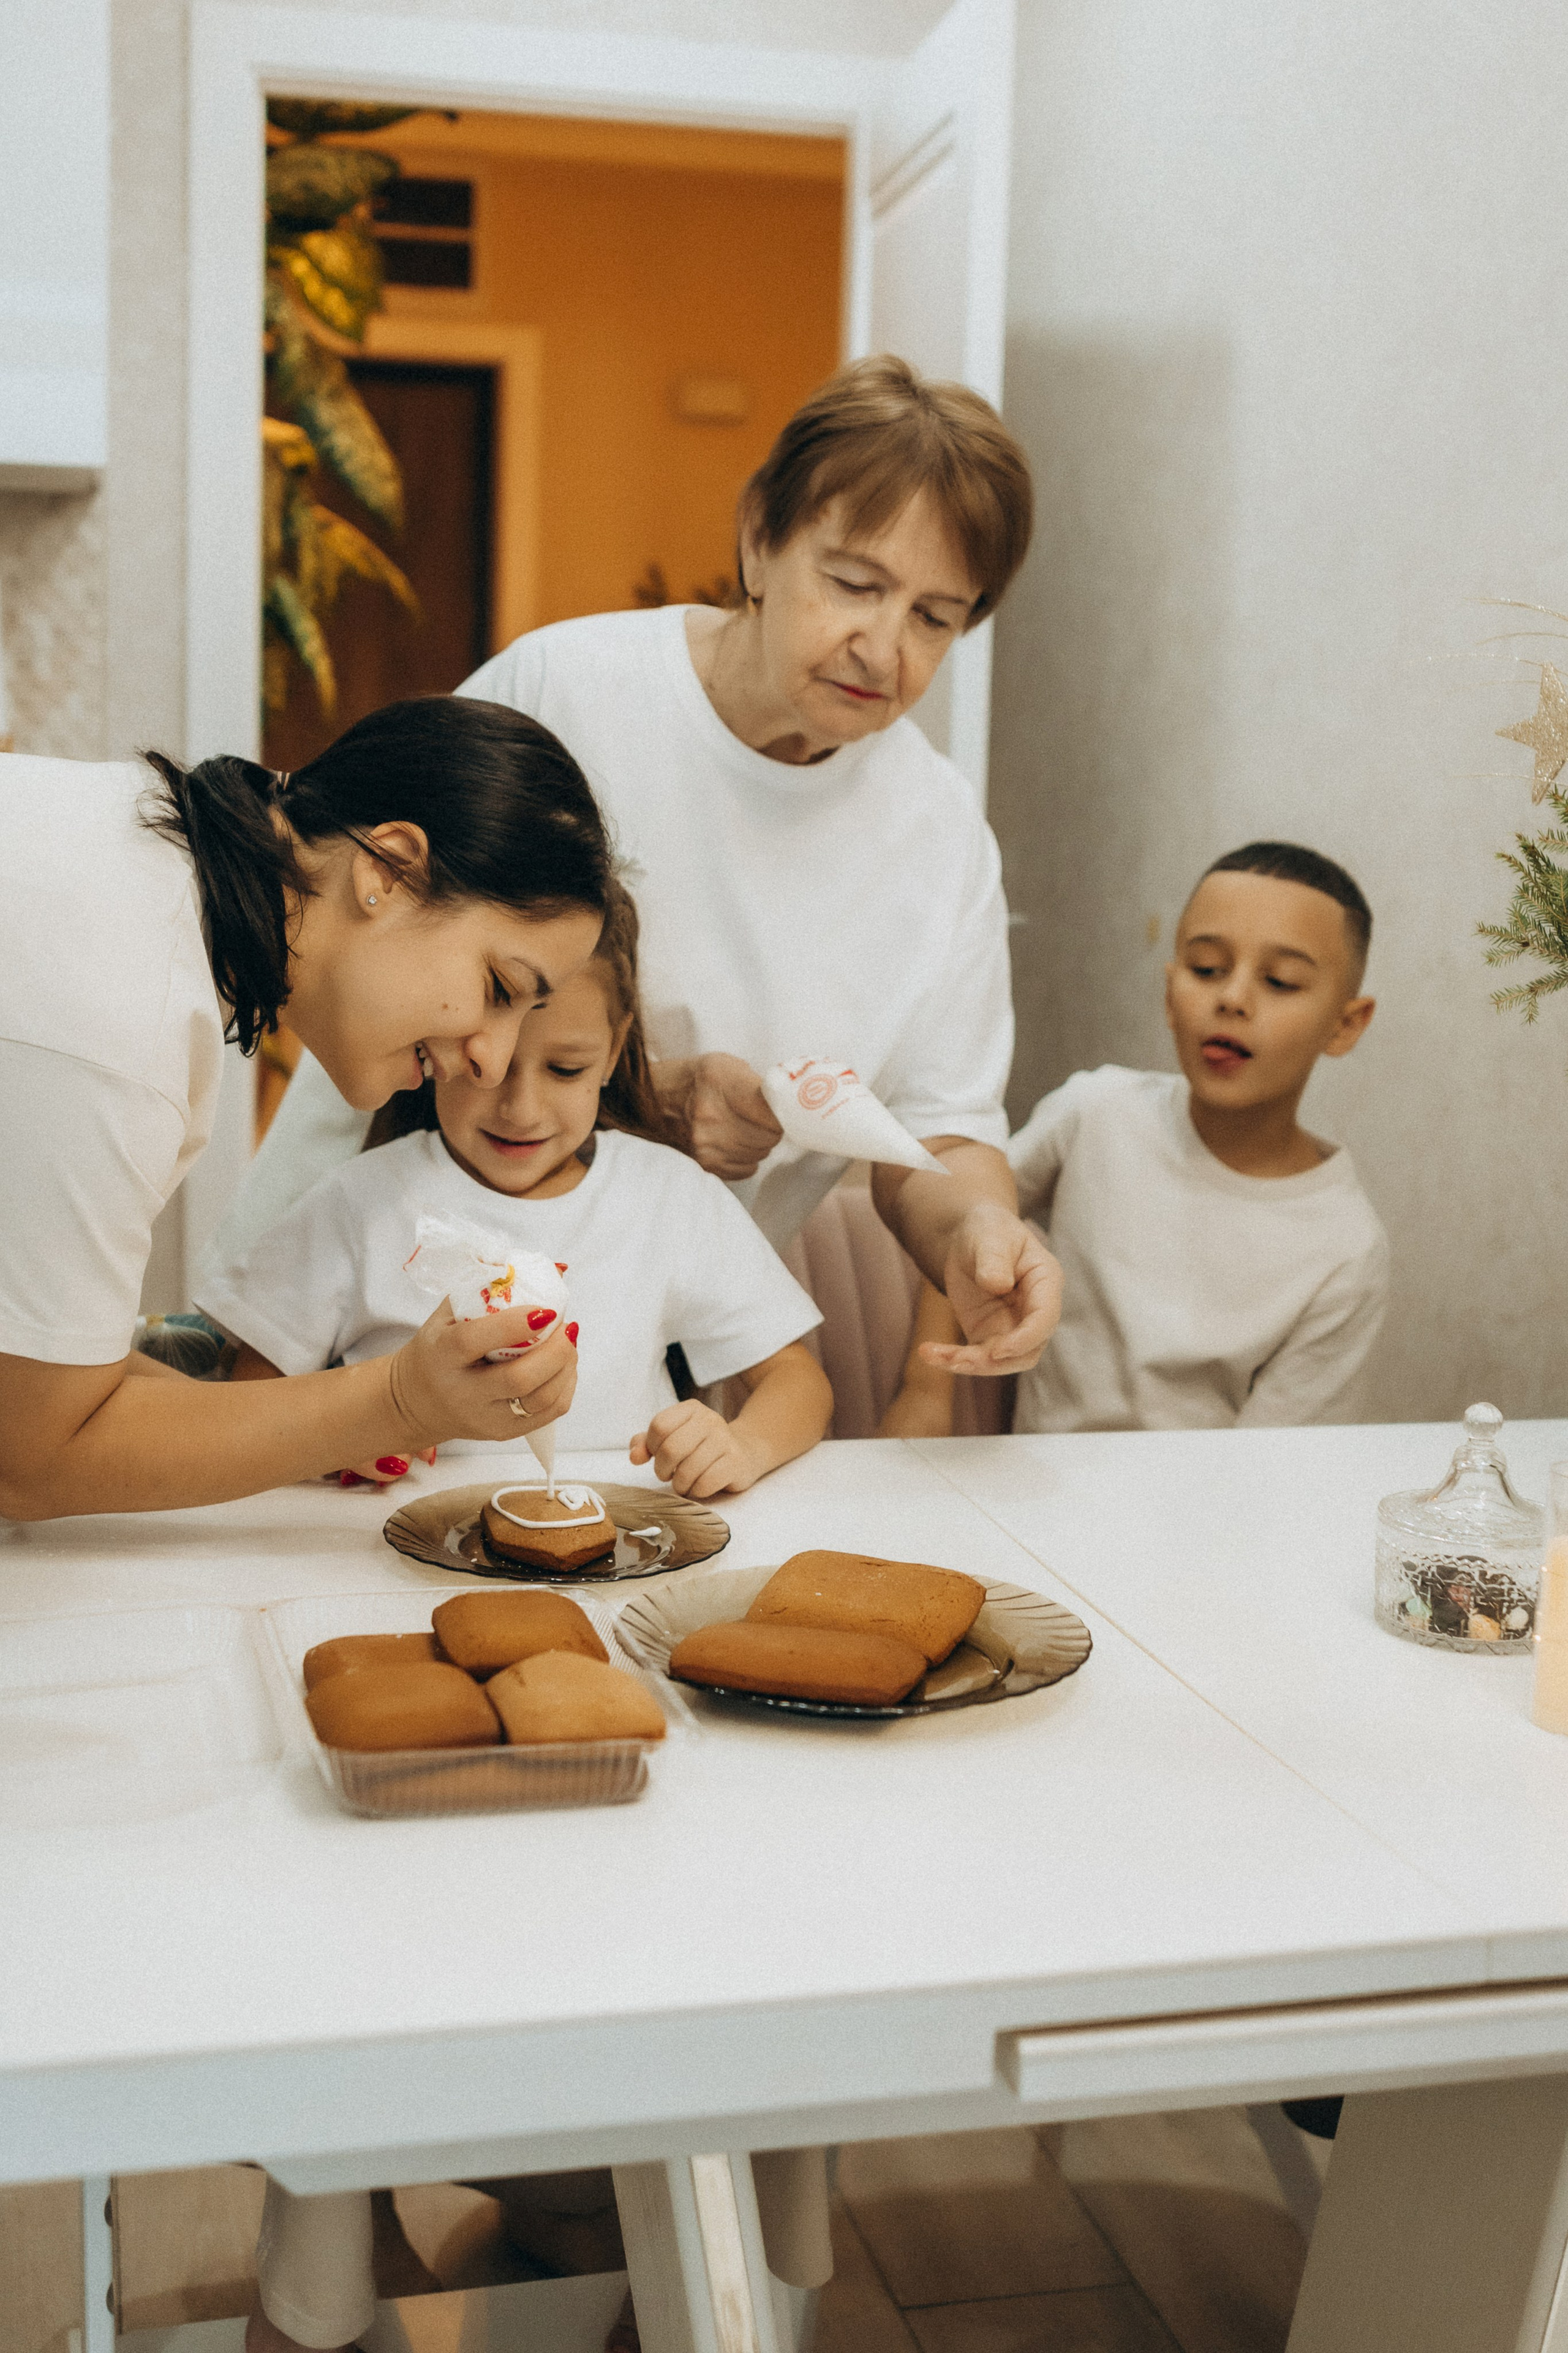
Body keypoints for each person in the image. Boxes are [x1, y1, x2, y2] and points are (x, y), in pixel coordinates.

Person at [208, 355, 1063, 1389]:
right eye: (854, 583)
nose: (883, 647)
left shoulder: (939, 841)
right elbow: (368, 963)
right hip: (365, 1277)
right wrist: (651, 1098)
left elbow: (943, 1132)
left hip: (643, 1344)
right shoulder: (566, 691)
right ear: (760, 538)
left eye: (936, 617)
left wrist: (976, 1229)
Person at [0, 698, 616, 1520]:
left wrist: (327, 1423)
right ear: (387, 869)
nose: (492, 1060)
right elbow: (29, 1456)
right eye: (500, 990)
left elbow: (53, 1380)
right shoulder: (115, 1009)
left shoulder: (131, 871)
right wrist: (397, 1400)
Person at [199, 882, 833, 1495]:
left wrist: (741, 1445)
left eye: (565, 1068)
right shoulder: (359, 1203)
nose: (521, 1108)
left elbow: (798, 1383)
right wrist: (339, 1438)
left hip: (622, 1551)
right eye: (487, 1066)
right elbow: (247, 1398)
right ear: (436, 1039)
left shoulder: (670, 1198)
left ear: (614, 1051)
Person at [1008, 841, 1388, 1434]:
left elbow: (1270, 1471)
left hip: (1201, 1513)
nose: (1231, 998)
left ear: (1344, 1025)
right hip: (1032, 1489)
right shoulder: (1097, 1113)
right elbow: (972, 1214)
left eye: (1280, 981)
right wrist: (924, 1389)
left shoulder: (1344, 1245)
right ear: (1169, 993)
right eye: (1207, 969)